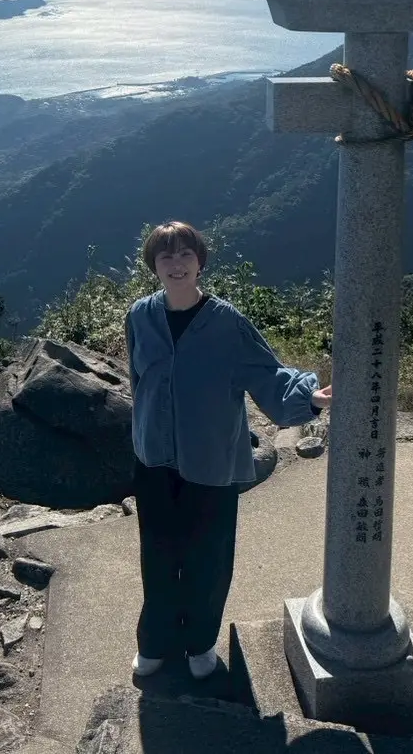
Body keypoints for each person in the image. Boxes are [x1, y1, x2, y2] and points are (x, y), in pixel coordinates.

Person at [124, 220, 331, 680]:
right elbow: (139, 382)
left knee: (208, 557)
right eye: (166, 256)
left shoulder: (227, 323)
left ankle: (200, 644)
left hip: (211, 460)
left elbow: (267, 372)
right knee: (158, 554)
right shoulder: (140, 315)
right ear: (153, 266)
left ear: (200, 263)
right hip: (153, 459)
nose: (176, 264)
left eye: (185, 255)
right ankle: (156, 641)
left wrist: (308, 398)